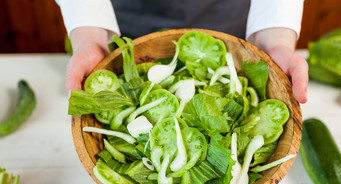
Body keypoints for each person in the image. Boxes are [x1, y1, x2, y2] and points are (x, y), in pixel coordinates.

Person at [56, 0, 308, 103]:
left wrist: (275, 38)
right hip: (125, 13)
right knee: (130, 84)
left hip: (224, 11)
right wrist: (89, 33)